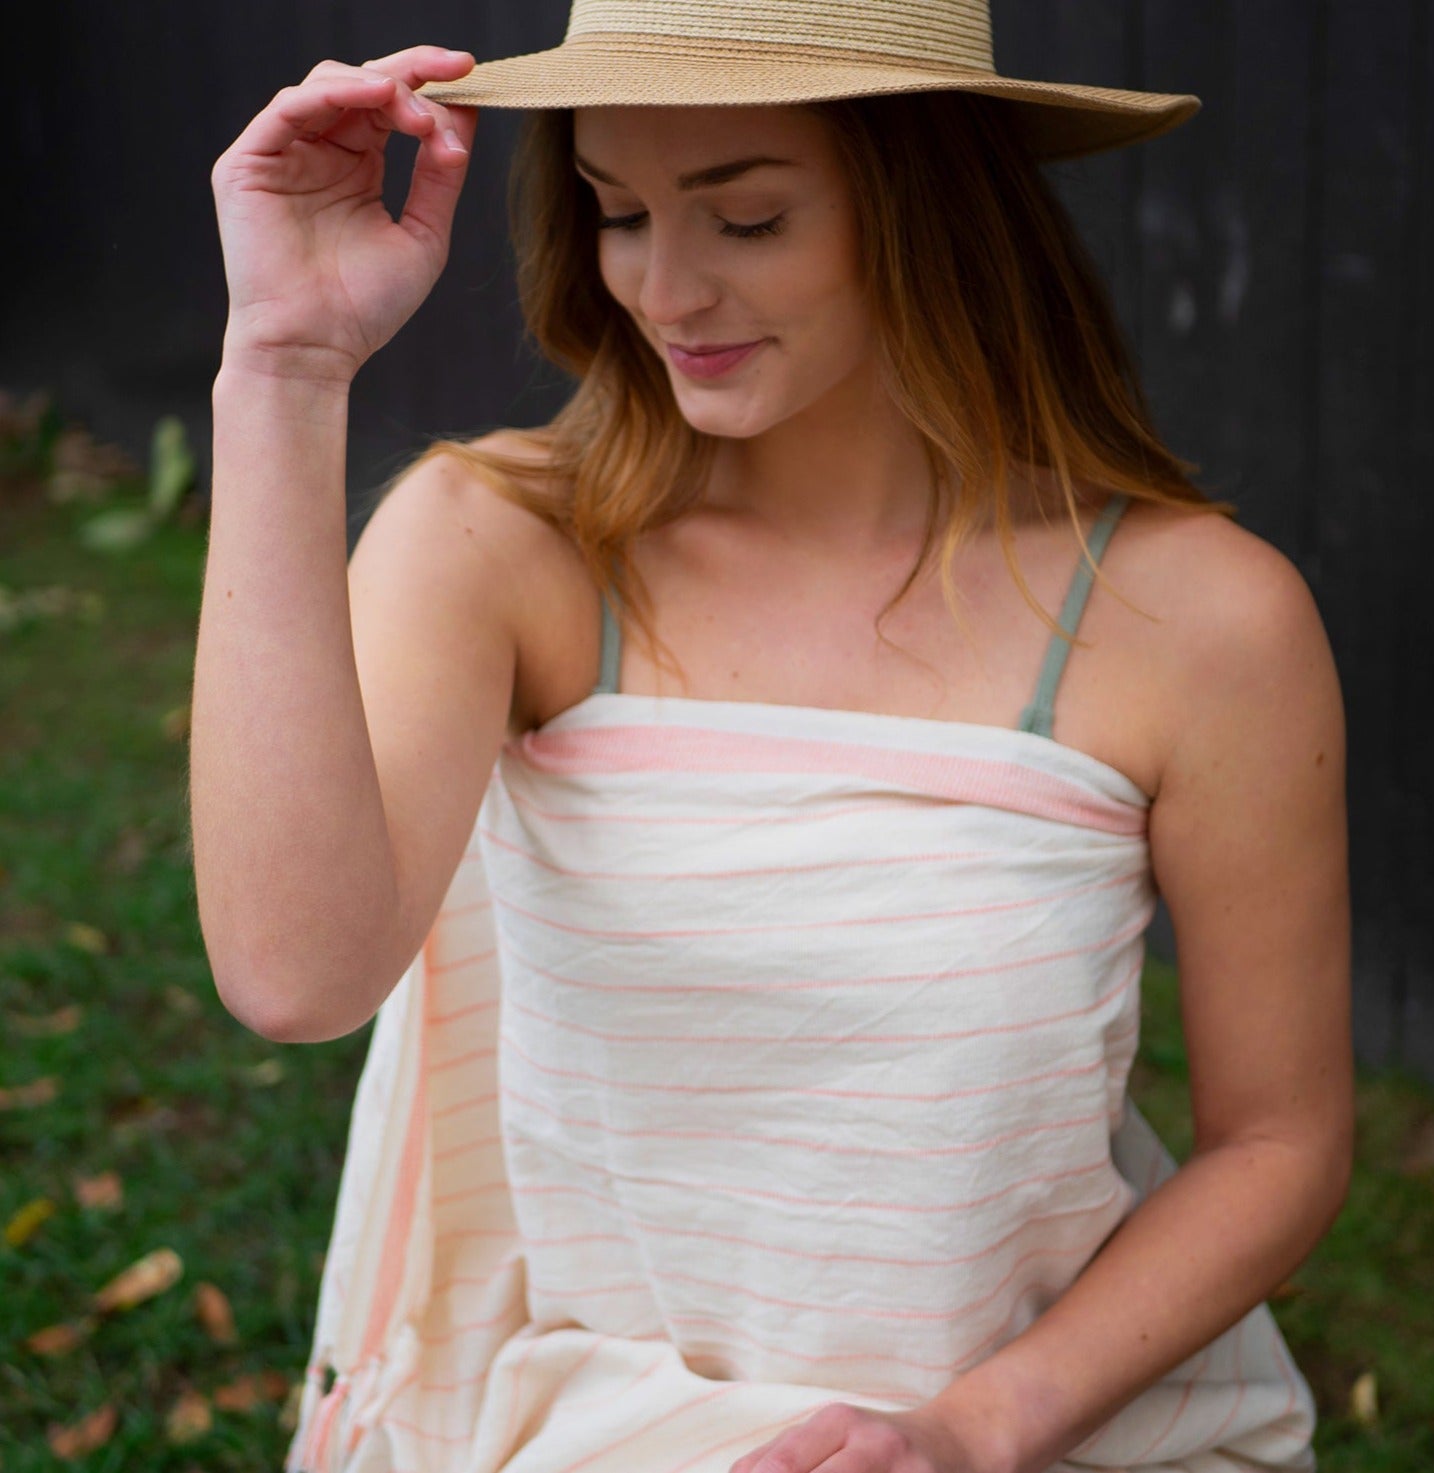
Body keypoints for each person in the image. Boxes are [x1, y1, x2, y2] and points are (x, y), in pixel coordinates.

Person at [191, 3, 1354, 1471]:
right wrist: (284, 366)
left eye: (746, 216)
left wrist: (969, 1429)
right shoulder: (502, 545)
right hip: (601, 1429)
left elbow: (1279, 1140)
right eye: (617, 212)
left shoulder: (1203, 623)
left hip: (1051, 1426)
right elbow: (293, 974)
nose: (663, 288)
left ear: (930, 206)